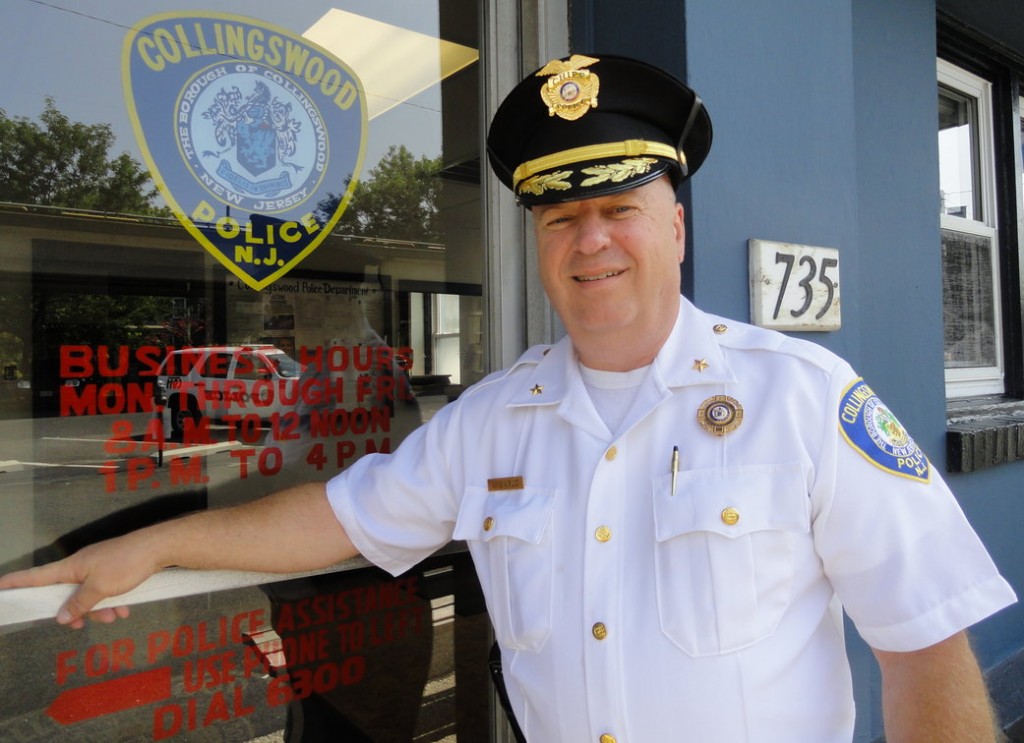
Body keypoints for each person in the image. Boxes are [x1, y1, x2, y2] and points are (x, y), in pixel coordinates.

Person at [0, 54, 1017, 742]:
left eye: (619, 207)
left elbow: (923, 646)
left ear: (674, 227)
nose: (591, 239)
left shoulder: (799, 396)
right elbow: (338, 515)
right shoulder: (493, 417)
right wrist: (164, 539)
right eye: (560, 216)